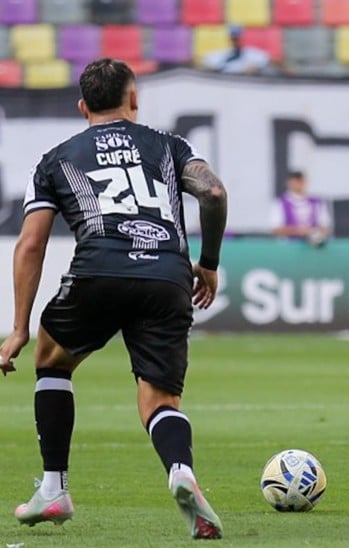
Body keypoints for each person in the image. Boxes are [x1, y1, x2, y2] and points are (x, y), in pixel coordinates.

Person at [0, 58, 227, 538]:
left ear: (83, 106)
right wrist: (207, 262)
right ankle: (180, 471)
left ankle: (55, 488)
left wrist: (19, 327)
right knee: (161, 398)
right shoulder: (169, 146)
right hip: (168, 276)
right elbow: (213, 193)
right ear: (134, 98)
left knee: (52, 359)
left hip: (98, 270)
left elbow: (31, 243)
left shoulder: (56, 158)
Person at [270, 170, 332, 247]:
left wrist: (315, 234)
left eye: (300, 181)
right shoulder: (280, 203)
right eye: (295, 181)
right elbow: (276, 230)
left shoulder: (317, 202)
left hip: (313, 246)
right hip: (289, 246)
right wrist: (302, 231)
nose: (298, 184)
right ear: (288, 183)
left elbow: (326, 227)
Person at [201, 25, 271, 76]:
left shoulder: (254, 54)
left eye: (238, 38)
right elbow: (204, 62)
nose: (236, 41)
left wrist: (256, 68)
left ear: (243, 38)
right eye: (233, 38)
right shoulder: (219, 55)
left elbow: (269, 61)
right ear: (229, 39)